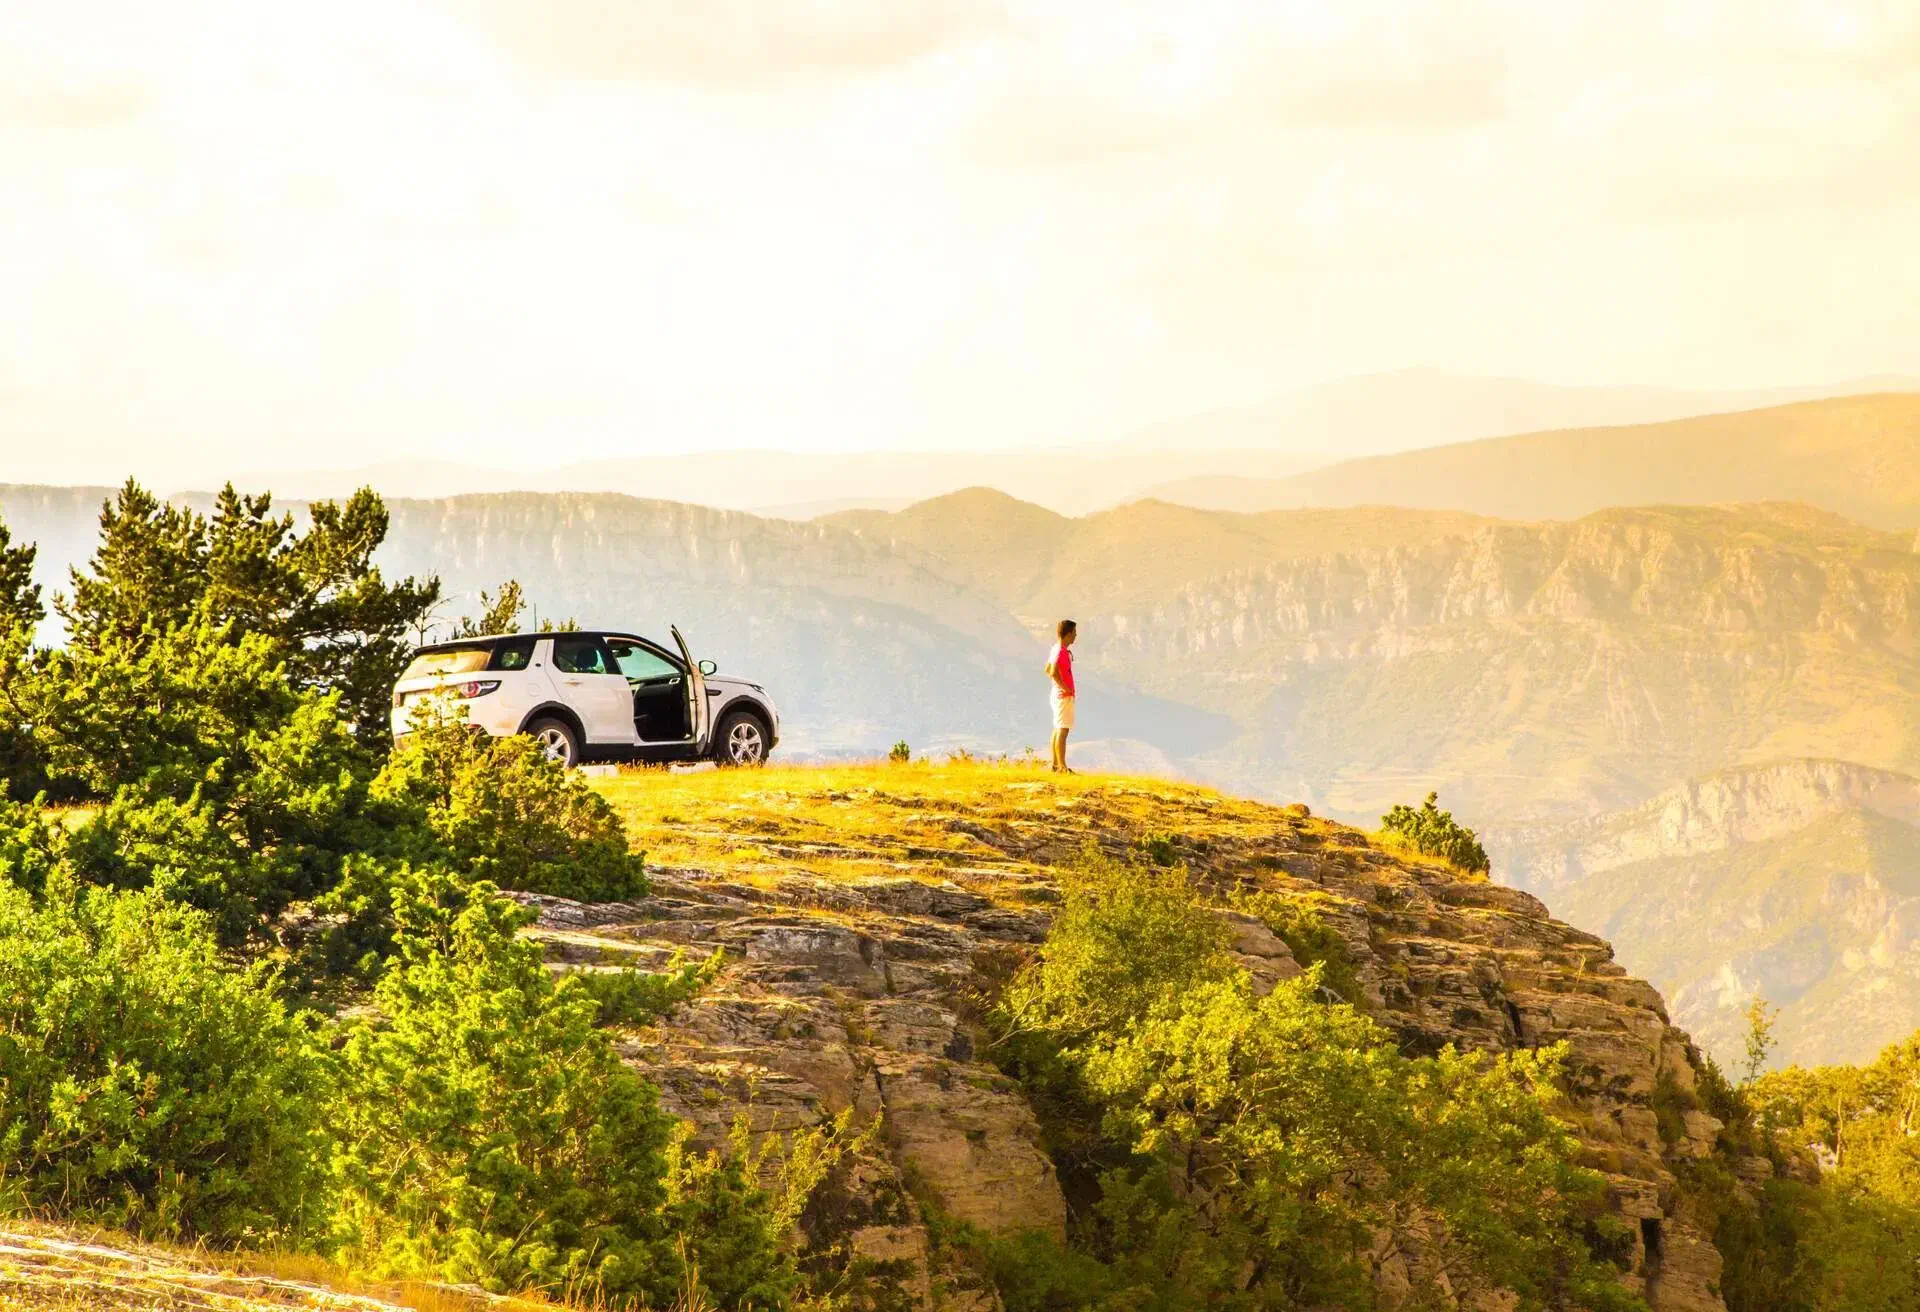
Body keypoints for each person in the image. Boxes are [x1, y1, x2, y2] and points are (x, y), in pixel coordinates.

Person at [1045, 619, 1077, 773]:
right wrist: (1066, 688)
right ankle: (1062, 766)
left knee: (1058, 728)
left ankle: (1056, 764)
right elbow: (1052, 672)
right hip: (1063, 695)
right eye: (1074, 633)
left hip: (1057, 694)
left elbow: (1047, 669)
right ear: (1069, 633)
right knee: (1063, 730)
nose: (1075, 636)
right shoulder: (1061, 651)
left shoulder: (1056, 649)